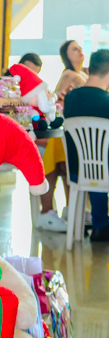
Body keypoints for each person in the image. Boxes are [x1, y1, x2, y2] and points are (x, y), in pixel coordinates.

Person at [36, 41, 89, 230]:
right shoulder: (70, 75)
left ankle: (70, 209)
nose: (79, 51)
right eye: (74, 49)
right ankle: (57, 210)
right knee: (62, 162)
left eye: (80, 47)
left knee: (65, 163)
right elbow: (57, 101)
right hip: (65, 128)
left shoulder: (83, 74)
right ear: (66, 55)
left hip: (73, 129)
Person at [63, 48, 109, 243]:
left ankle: (101, 225)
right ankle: (101, 225)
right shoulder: (106, 101)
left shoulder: (70, 99)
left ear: (89, 69)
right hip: (105, 171)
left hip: (77, 171)